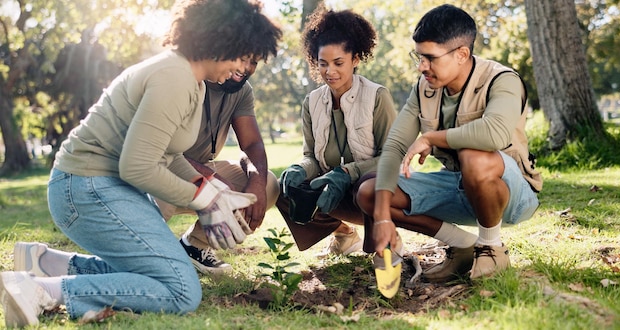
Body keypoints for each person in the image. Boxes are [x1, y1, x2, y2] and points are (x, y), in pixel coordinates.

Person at [0, 0, 281, 327]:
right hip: (84, 188)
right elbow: (137, 167)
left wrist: (213, 192)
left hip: (98, 187)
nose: (243, 68)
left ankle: (47, 263)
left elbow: (168, 155)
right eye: (242, 55)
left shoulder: (193, 80)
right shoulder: (174, 76)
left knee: (158, 270)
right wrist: (207, 200)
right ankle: (38, 291)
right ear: (221, 41)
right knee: (181, 290)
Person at [356, 4, 542, 282]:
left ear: (462, 54)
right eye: (418, 57)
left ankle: (491, 248)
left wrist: (432, 137)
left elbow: (495, 133)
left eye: (430, 58)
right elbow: (394, 146)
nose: (421, 67)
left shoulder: (502, 80)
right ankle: (462, 244)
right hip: (457, 186)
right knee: (370, 193)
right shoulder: (424, 88)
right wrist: (382, 218)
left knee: (474, 154)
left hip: (511, 193)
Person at [277, 6, 399, 258]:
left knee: (370, 184)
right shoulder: (311, 102)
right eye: (323, 64)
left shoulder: (377, 96)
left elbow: (392, 158)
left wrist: (348, 172)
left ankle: (387, 243)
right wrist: (301, 169)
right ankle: (343, 235)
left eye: (338, 63)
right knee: (285, 187)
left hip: (369, 193)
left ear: (355, 59)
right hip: (331, 193)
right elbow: (311, 156)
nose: (329, 72)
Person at [155, 54, 281, 275]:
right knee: (159, 195)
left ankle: (194, 247)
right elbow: (163, 151)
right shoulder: (185, 79)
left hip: (199, 171)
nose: (247, 68)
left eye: (254, 62)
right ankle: (137, 259)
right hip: (158, 169)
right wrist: (215, 181)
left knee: (268, 183)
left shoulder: (242, 90)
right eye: (242, 58)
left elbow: (252, 144)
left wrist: (256, 182)